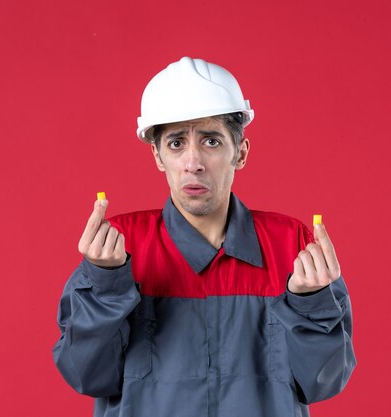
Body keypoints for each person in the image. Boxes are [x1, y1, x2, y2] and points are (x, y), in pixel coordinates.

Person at [52, 57, 356, 417]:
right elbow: (86, 376)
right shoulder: (118, 248)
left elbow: (322, 383)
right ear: (158, 156)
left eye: (211, 141)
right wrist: (106, 286)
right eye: (177, 144)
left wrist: (310, 304)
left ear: (239, 153)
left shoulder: (291, 246)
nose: (193, 162)